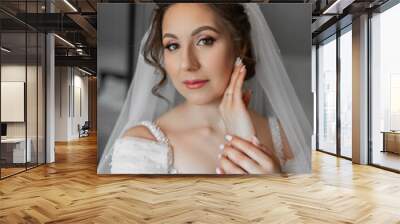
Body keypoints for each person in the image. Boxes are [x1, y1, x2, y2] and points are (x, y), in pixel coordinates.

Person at [97, 3, 312, 175]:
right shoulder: (141, 146)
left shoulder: (285, 138)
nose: (187, 64)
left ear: (240, 45)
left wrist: (273, 184)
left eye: (204, 40)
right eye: (172, 45)